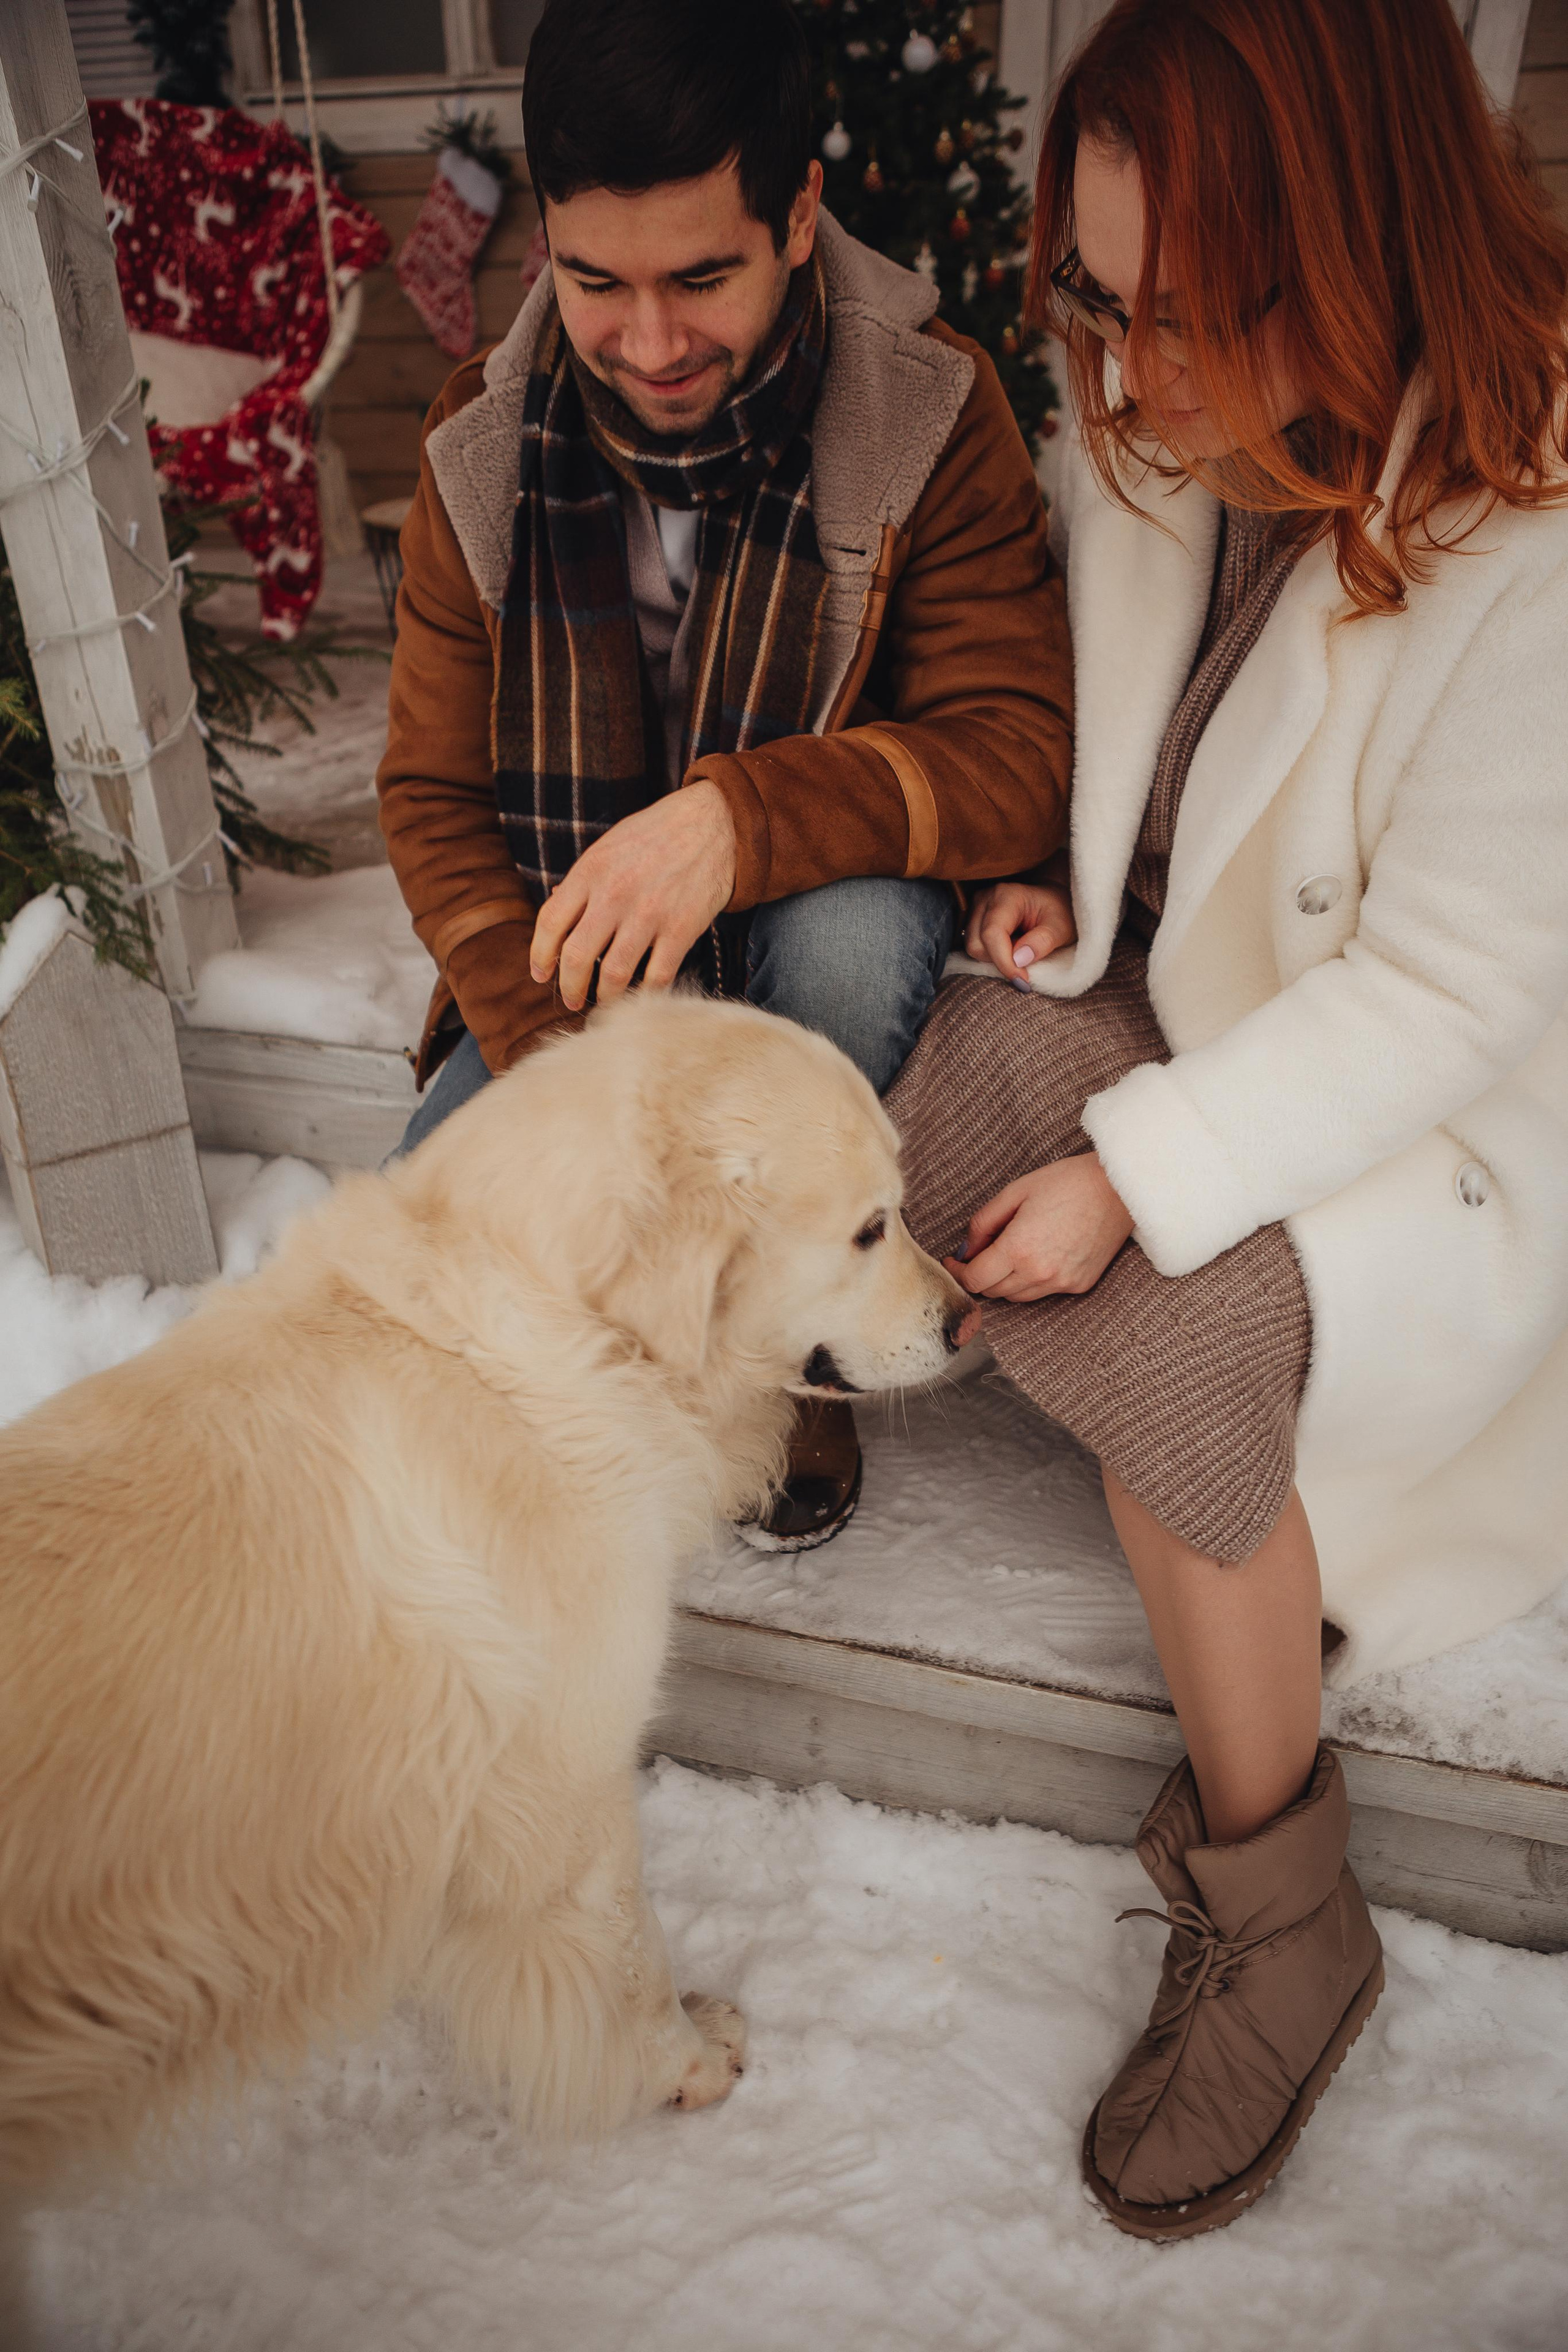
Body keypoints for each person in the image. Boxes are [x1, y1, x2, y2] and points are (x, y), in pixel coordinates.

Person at [887, 0, 1568, 2240]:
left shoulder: (1540, 506)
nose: (1124, 374)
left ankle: (1289, 1910)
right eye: (1092, 296)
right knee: (951, 1082)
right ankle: (1191, 1430)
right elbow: (1189, 774)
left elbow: (1453, 986)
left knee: (1160, 1310)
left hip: (1447, 1132)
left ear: (1355, 245)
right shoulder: (1181, 418)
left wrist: (1134, 1181)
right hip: (1216, 1017)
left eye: (1178, 315)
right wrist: (1077, 885)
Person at [375, 0, 1072, 1552]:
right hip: (580, 965)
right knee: (431, 1291)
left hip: (828, 933)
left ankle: (784, 1343)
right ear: (545, 234)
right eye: (593, 280)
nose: (647, 342)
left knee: (838, 926)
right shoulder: (476, 449)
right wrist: (566, 1073)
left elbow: (1016, 749)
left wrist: (735, 822)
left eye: (702, 276)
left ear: (799, 214)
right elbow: (428, 798)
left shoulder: (926, 408)